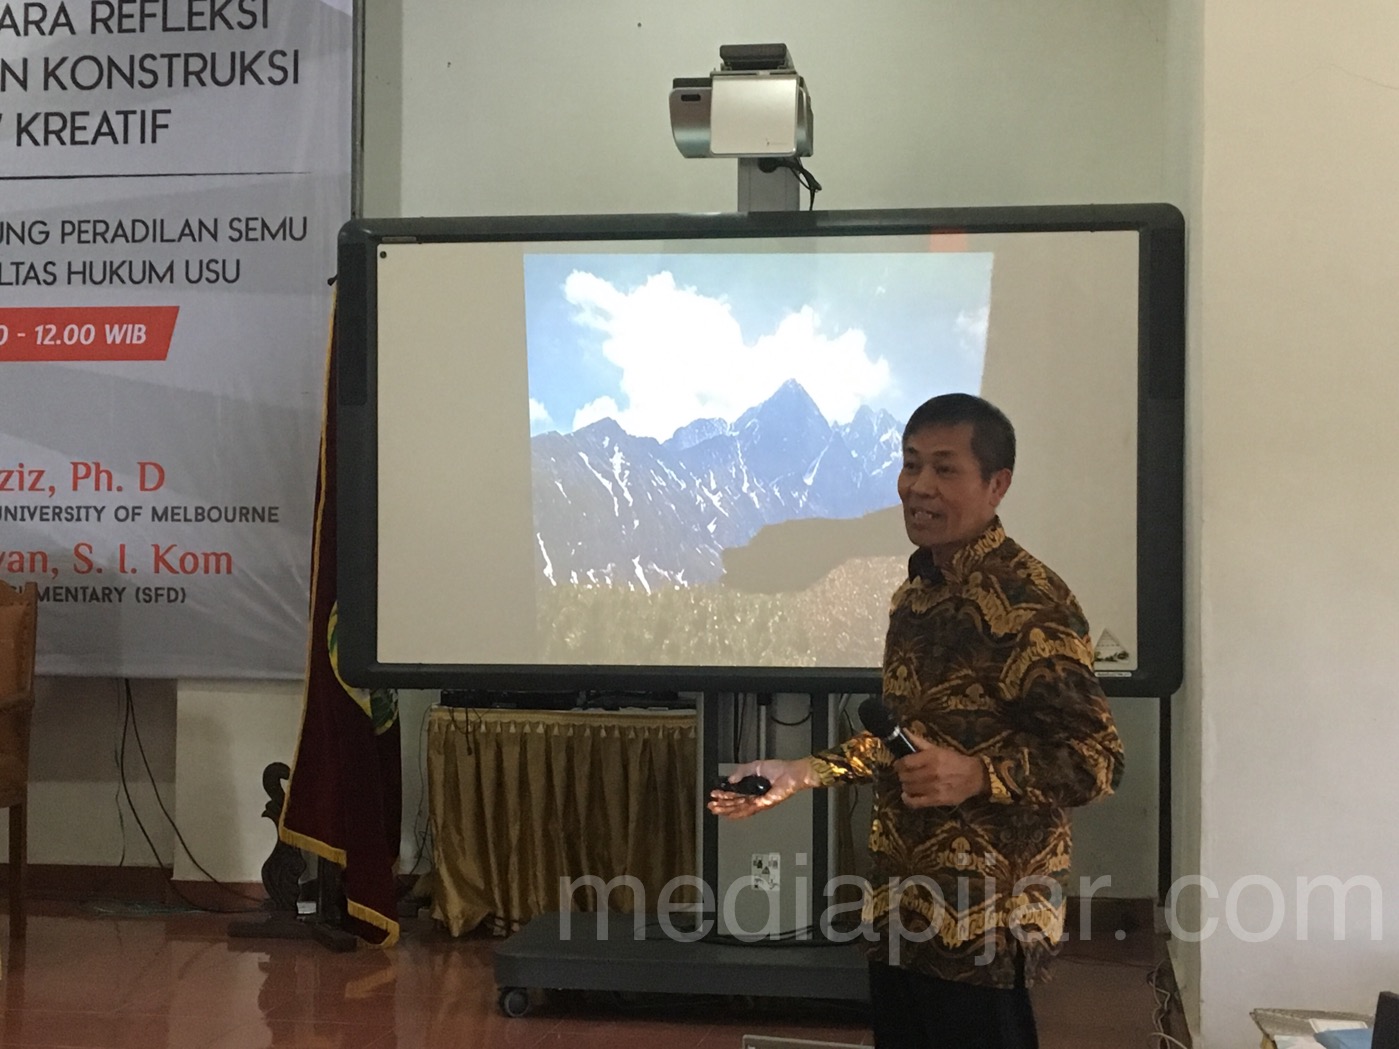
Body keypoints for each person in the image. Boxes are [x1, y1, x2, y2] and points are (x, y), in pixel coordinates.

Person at [709, 392, 1124, 1049]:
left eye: (943, 469)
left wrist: (978, 774)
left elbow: (1095, 758)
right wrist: (801, 770)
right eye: (909, 465)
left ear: (996, 484)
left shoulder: (1030, 603)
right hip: (899, 919)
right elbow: (902, 743)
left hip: (984, 931)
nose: (918, 487)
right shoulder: (917, 595)